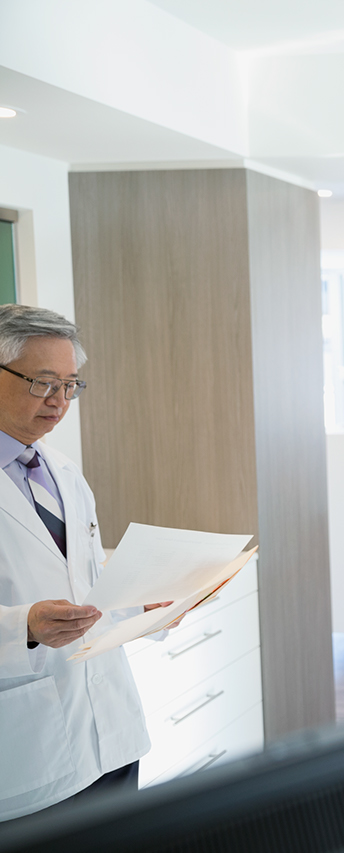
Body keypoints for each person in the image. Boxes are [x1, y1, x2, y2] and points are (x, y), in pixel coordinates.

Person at [0, 305, 169, 821]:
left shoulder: (61, 468)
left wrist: (143, 606)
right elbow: (33, 616)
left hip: (111, 735)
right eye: (42, 382)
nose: (59, 400)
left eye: (71, 385)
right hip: (28, 753)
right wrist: (23, 625)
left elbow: (88, 588)